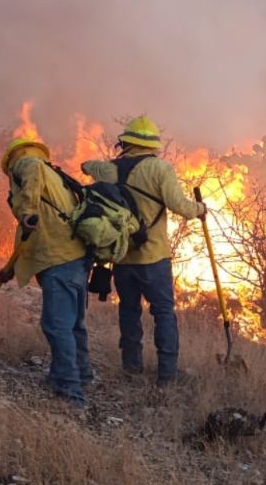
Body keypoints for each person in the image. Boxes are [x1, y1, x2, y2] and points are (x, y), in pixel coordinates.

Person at [82, 116, 205, 387]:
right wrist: (200, 209)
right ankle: (167, 375)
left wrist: (94, 167)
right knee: (163, 313)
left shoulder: (111, 169)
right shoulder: (160, 168)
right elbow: (180, 206)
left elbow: (88, 166)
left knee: (128, 311)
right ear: (152, 145)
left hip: (123, 257)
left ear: (126, 143)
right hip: (154, 258)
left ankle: (131, 368)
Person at [0, 137, 93, 408]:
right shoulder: (53, 175)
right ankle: (80, 375)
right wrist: (9, 269)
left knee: (56, 325)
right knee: (74, 323)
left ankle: (71, 391)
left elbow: (30, 218)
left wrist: (27, 212)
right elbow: (28, 236)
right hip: (77, 256)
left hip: (57, 259)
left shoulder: (27, 164)